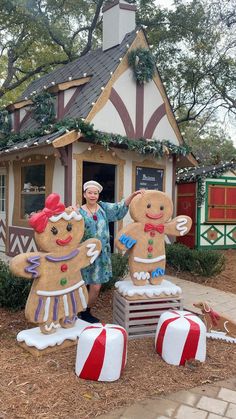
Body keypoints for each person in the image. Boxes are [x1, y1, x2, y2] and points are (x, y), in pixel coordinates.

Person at [78, 180, 142, 323]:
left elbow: (120, 207)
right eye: (90, 193)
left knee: (96, 286)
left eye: (95, 193)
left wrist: (133, 195)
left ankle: (86, 312)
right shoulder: (78, 212)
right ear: (84, 194)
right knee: (81, 284)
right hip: (83, 254)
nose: (93, 195)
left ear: (98, 195)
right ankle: (76, 311)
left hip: (101, 255)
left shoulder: (103, 209)